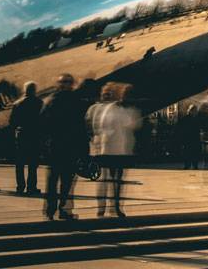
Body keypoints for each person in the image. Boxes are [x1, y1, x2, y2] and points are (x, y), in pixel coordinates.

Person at [86, 83, 141, 218]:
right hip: (106, 148)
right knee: (105, 178)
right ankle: (102, 208)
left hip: (120, 149)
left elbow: (131, 124)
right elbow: (97, 125)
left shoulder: (123, 109)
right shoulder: (104, 108)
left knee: (117, 180)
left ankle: (115, 207)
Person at [41, 73, 86, 220]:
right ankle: (61, 210)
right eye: (64, 82)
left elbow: (42, 124)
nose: (66, 84)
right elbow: (81, 126)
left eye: (68, 82)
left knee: (55, 180)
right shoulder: (75, 100)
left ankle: (51, 211)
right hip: (65, 145)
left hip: (58, 145)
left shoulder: (50, 101)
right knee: (64, 180)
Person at [10, 82, 43, 195]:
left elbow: (12, 122)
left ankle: (20, 186)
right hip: (34, 134)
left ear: (25, 90)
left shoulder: (17, 103)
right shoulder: (39, 103)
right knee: (33, 162)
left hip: (21, 134)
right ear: (34, 90)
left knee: (20, 162)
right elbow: (42, 119)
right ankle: (31, 187)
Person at [177, 104, 202, 170]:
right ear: (191, 111)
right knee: (193, 152)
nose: (196, 112)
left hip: (189, 139)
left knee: (188, 152)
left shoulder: (185, 119)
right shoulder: (196, 119)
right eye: (195, 111)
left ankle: (189, 165)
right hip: (192, 139)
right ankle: (193, 165)